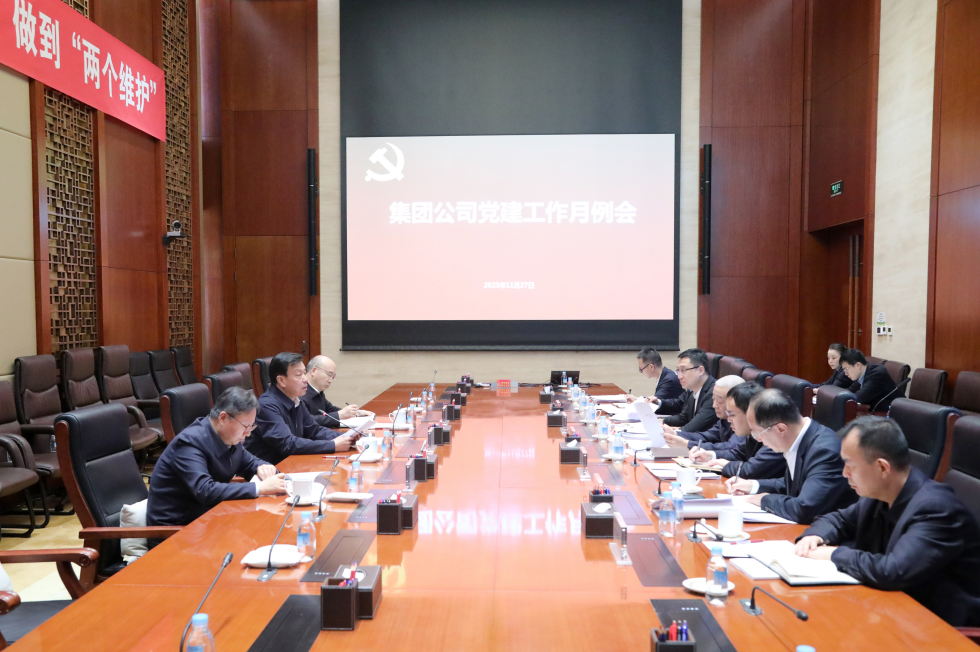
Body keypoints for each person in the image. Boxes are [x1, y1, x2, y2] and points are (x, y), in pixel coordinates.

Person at [795, 417, 980, 627]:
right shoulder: (880, 494)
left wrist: (833, 554)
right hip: (895, 608)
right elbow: (837, 519)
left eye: (850, 465)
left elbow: (892, 571)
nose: (844, 473)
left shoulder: (936, 509)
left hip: (942, 625)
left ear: (882, 468)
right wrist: (815, 536)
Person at [147, 387, 286, 527]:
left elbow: (251, 463)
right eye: (245, 426)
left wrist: (265, 468)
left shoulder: (229, 438)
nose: (248, 433)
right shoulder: (189, 443)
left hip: (209, 518)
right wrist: (259, 488)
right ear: (223, 418)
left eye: (251, 427)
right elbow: (205, 490)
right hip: (177, 529)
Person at [726, 389, 857, 524]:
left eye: (757, 433)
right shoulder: (802, 438)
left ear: (781, 429)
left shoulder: (825, 452)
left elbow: (805, 508)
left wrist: (764, 499)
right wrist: (752, 485)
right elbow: (797, 483)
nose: (758, 439)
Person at [245, 352, 353, 465]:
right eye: (299, 375)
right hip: (270, 469)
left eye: (304, 373)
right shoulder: (267, 405)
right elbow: (288, 444)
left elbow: (314, 431)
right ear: (281, 381)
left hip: (291, 463)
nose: (305, 379)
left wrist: (348, 437)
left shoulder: (295, 400)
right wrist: (332, 445)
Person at [689, 382, 786, 480]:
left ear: (750, 412)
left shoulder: (775, 434)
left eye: (732, 415)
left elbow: (750, 471)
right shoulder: (752, 433)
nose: (728, 420)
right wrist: (710, 456)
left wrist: (726, 464)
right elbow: (738, 454)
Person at [661, 375, 744, 450]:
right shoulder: (724, 419)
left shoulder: (744, 421)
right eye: (713, 399)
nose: (714, 405)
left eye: (719, 401)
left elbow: (730, 447)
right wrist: (675, 433)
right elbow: (707, 435)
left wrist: (687, 444)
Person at [650, 348, 718, 434]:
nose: (679, 376)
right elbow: (683, 418)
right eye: (678, 370)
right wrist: (660, 421)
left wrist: (674, 431)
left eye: (683, 370)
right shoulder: (692, 389)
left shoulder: (714, 393)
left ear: (700, 370)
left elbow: (693, 428)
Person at [303, 355, 361, 428]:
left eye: (333, 377)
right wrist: (339, 415)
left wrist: (355, 412)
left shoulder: (317, 391)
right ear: (313, 371)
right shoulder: (300, 391)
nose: (330, 380)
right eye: (329, 374)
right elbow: (306, 421)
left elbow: (330, 410)